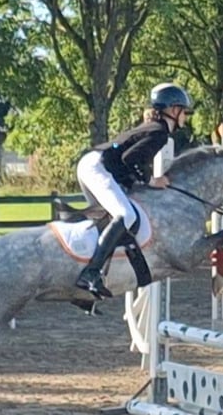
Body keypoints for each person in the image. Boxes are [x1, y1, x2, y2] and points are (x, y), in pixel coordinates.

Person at [74, 82, 194, 299]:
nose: (186, 117)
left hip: (92, 164)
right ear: (173, 109)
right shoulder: (159, 133)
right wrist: (152, 180)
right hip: (97, 167)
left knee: (109, 221)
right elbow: (131, 160)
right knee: (126, 215)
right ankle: (90, 273)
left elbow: (126, 162)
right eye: (184, 111)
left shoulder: (153, 129)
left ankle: (88, 277)